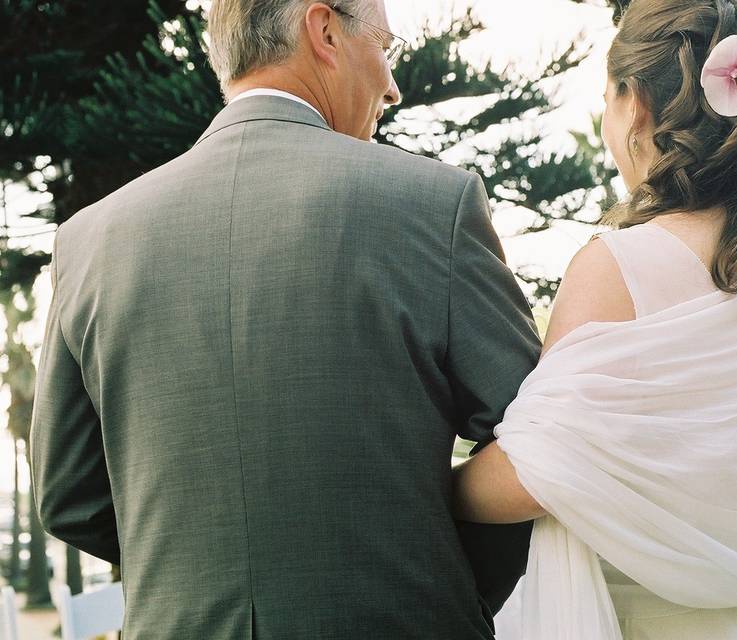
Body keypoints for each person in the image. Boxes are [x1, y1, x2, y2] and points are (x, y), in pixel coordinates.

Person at [29, 1, 540, 638]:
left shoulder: (89, 239)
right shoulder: (436, 204)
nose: (392, 83)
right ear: (325, 30)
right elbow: (545, 441)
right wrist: (438, 582)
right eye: (386, 45)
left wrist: (203, 573)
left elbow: (69, 496)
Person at [454, 1, 737, 638]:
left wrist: (436, 487)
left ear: (633, 103)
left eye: (607, 97)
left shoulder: (616, 264)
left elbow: (532, 476)